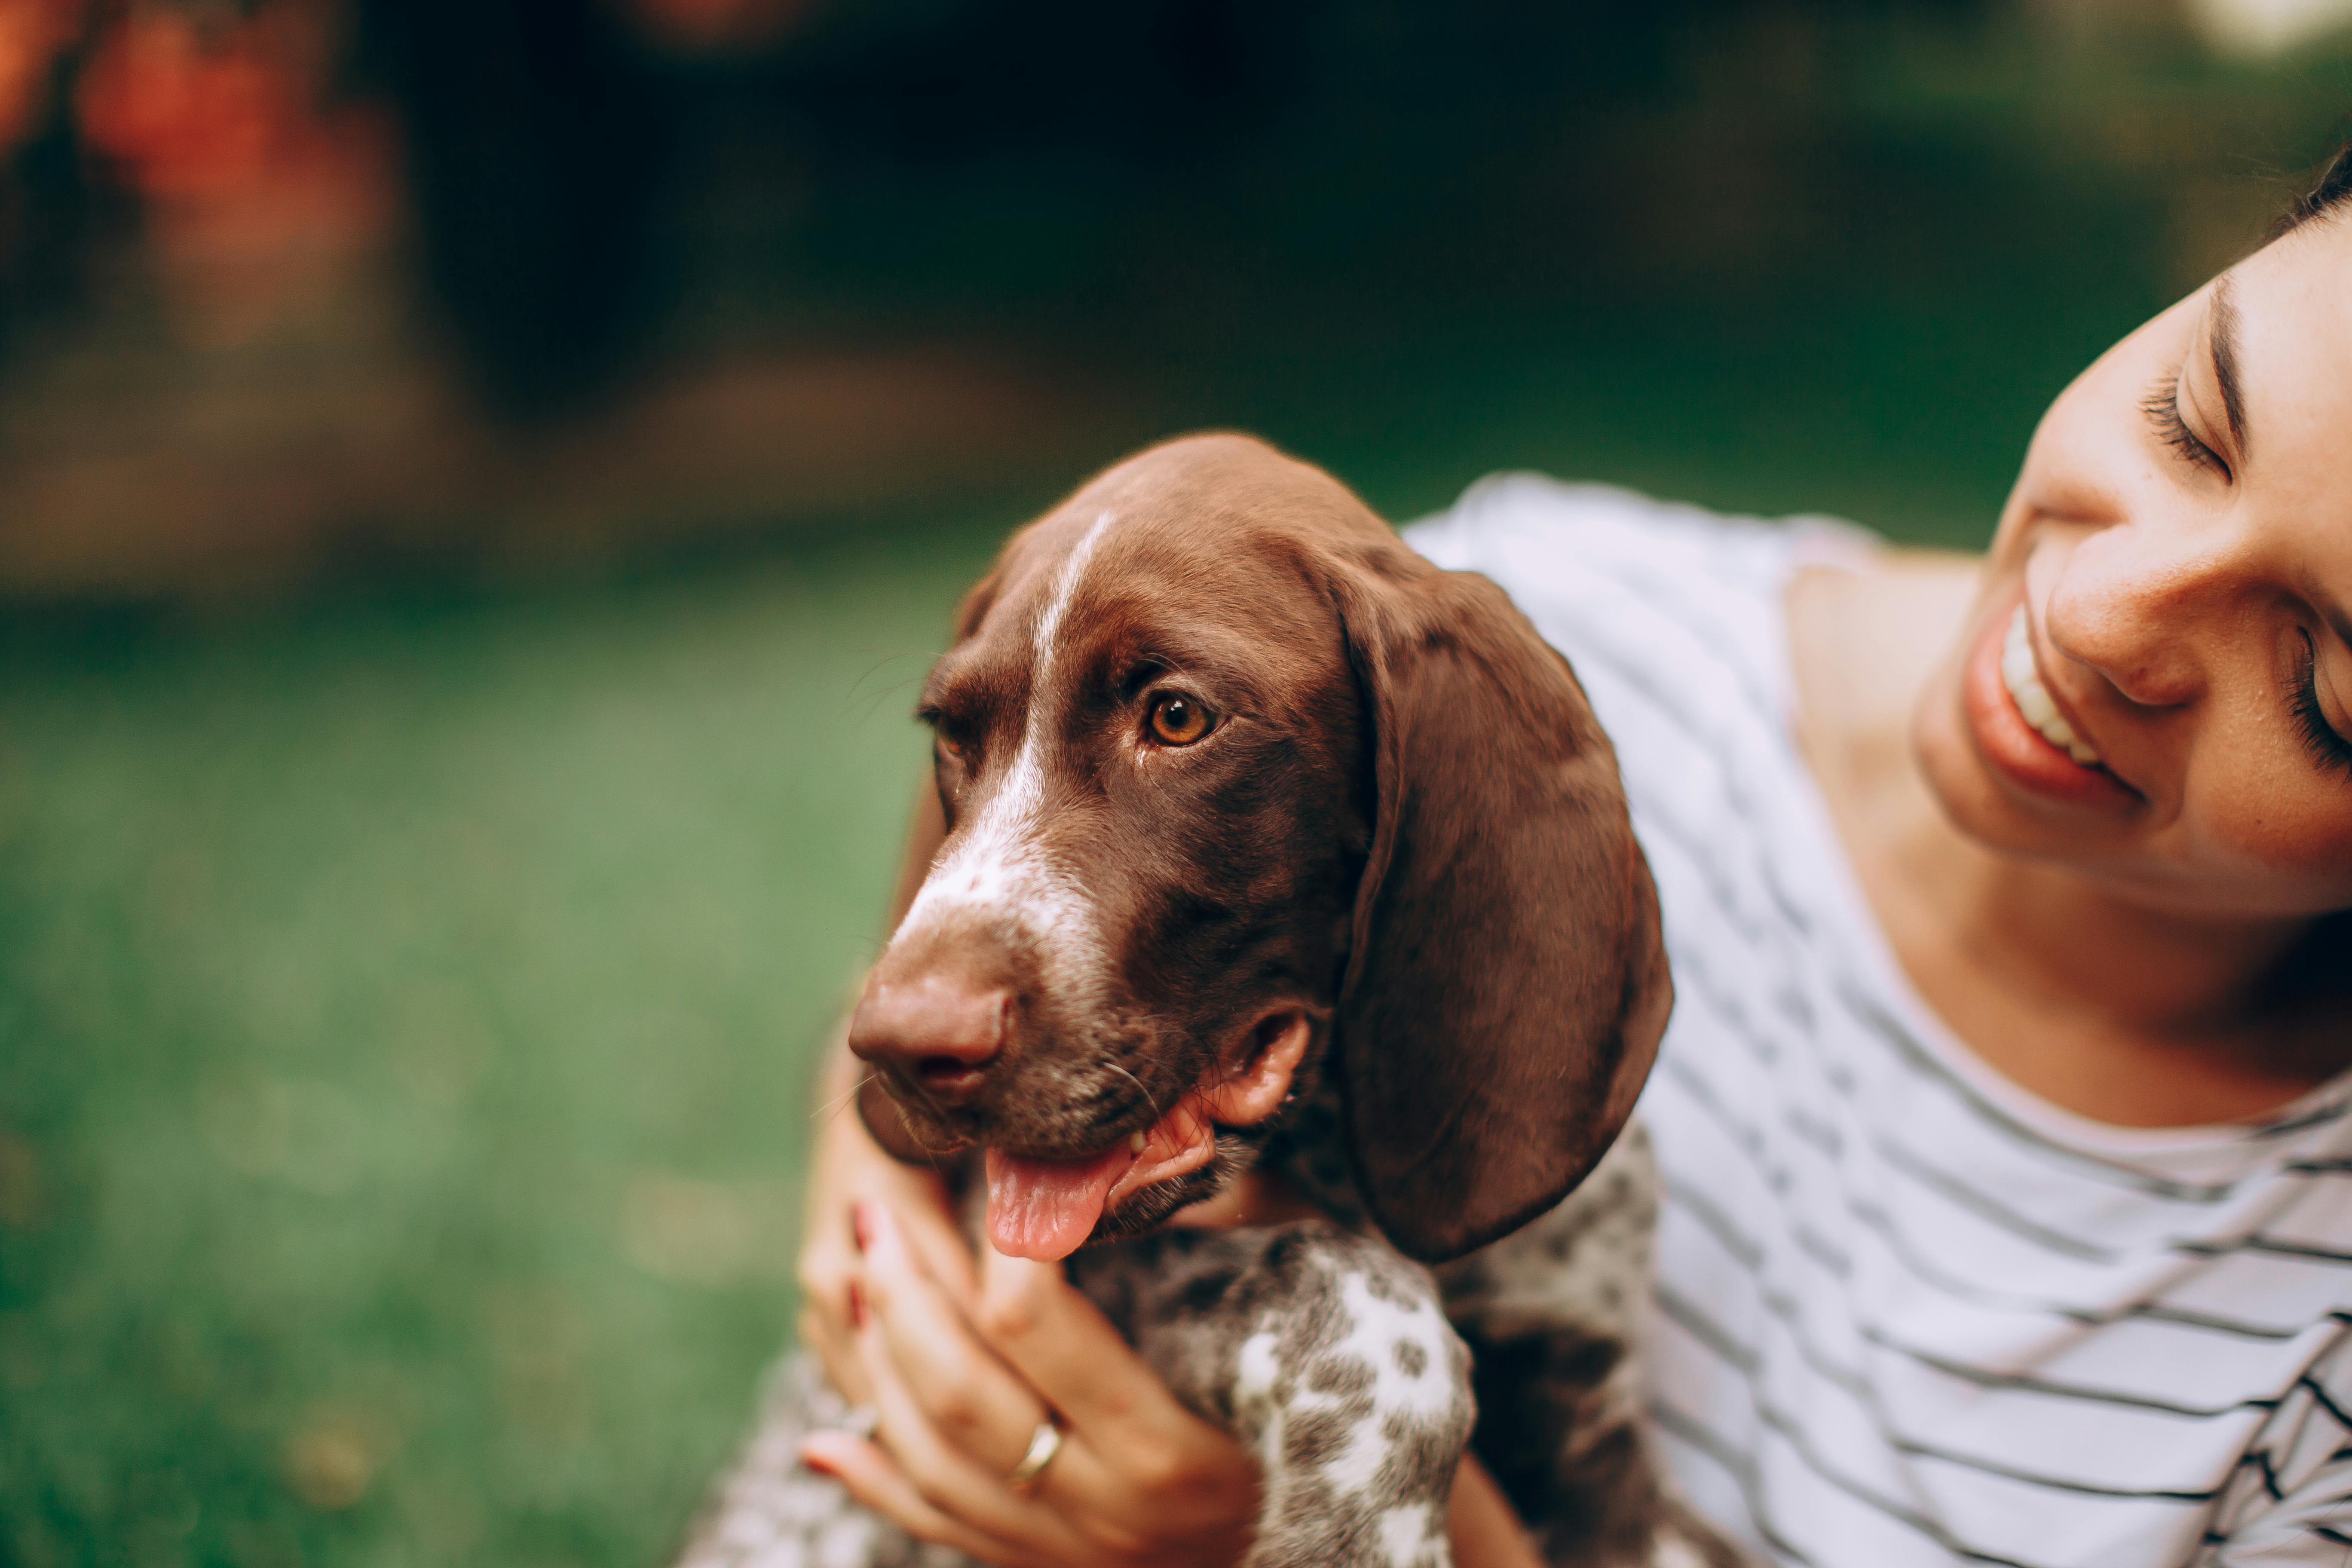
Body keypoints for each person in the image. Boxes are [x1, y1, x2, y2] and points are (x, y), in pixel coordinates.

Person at [786, 144, 2352, 1567]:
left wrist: (1268, 1516)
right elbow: (1012, 828)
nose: (2100, 617)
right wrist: (876, 1225)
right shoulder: (1546, 616)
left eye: (2323, 683)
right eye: (2192, 424)